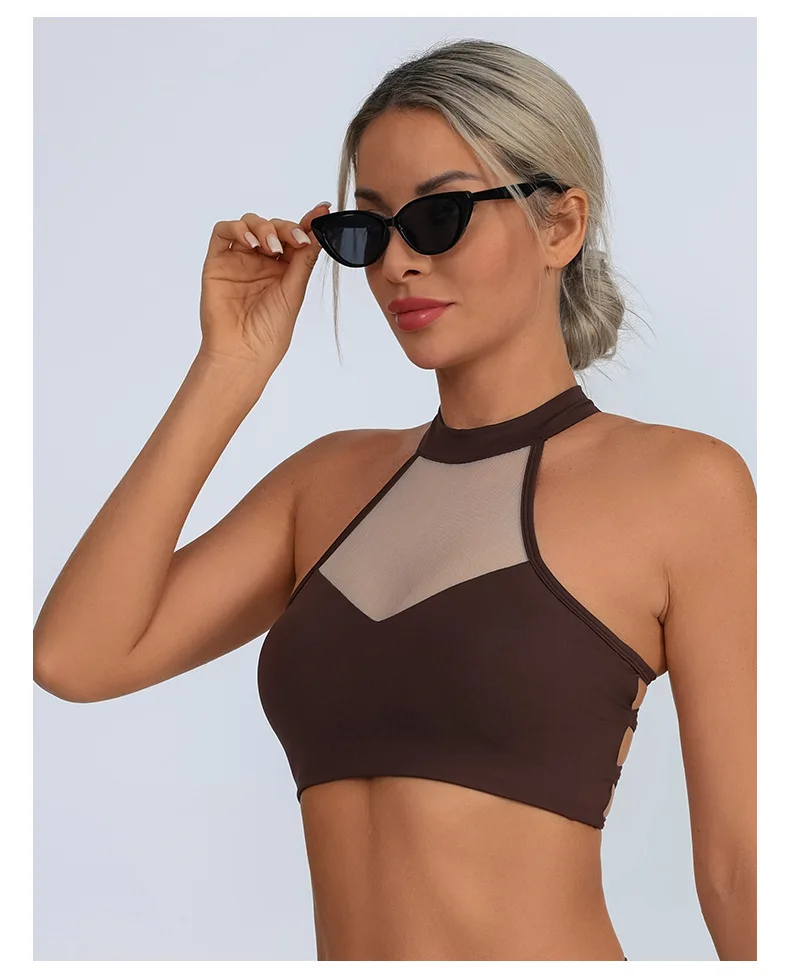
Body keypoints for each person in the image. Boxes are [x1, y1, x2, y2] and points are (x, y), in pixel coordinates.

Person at [33, 39, 756, 961]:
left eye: (439, 215)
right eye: (369, 231)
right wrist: (229, 367)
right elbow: (75, 656)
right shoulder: (325, 483)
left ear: (562, 225)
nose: (397, 264)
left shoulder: (683, 486)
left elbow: (741, 866)